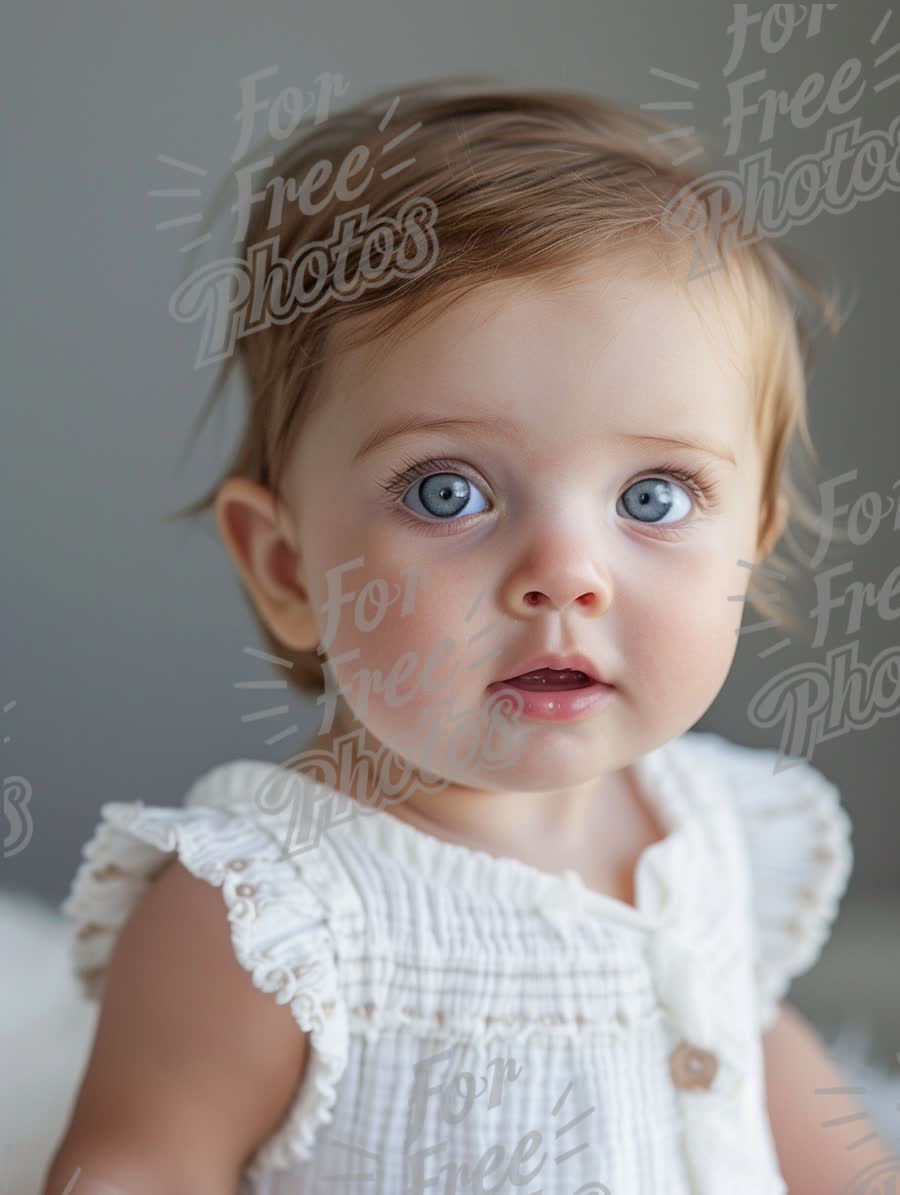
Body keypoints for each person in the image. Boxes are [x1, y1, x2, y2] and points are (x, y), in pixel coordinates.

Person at [44, 78, 890, 1195]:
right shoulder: (267, 921)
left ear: (752, 544)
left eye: (653, 497)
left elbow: (748, 1070)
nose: (565, 577)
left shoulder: (713, 824)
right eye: (447, 492)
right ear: (289, 567)